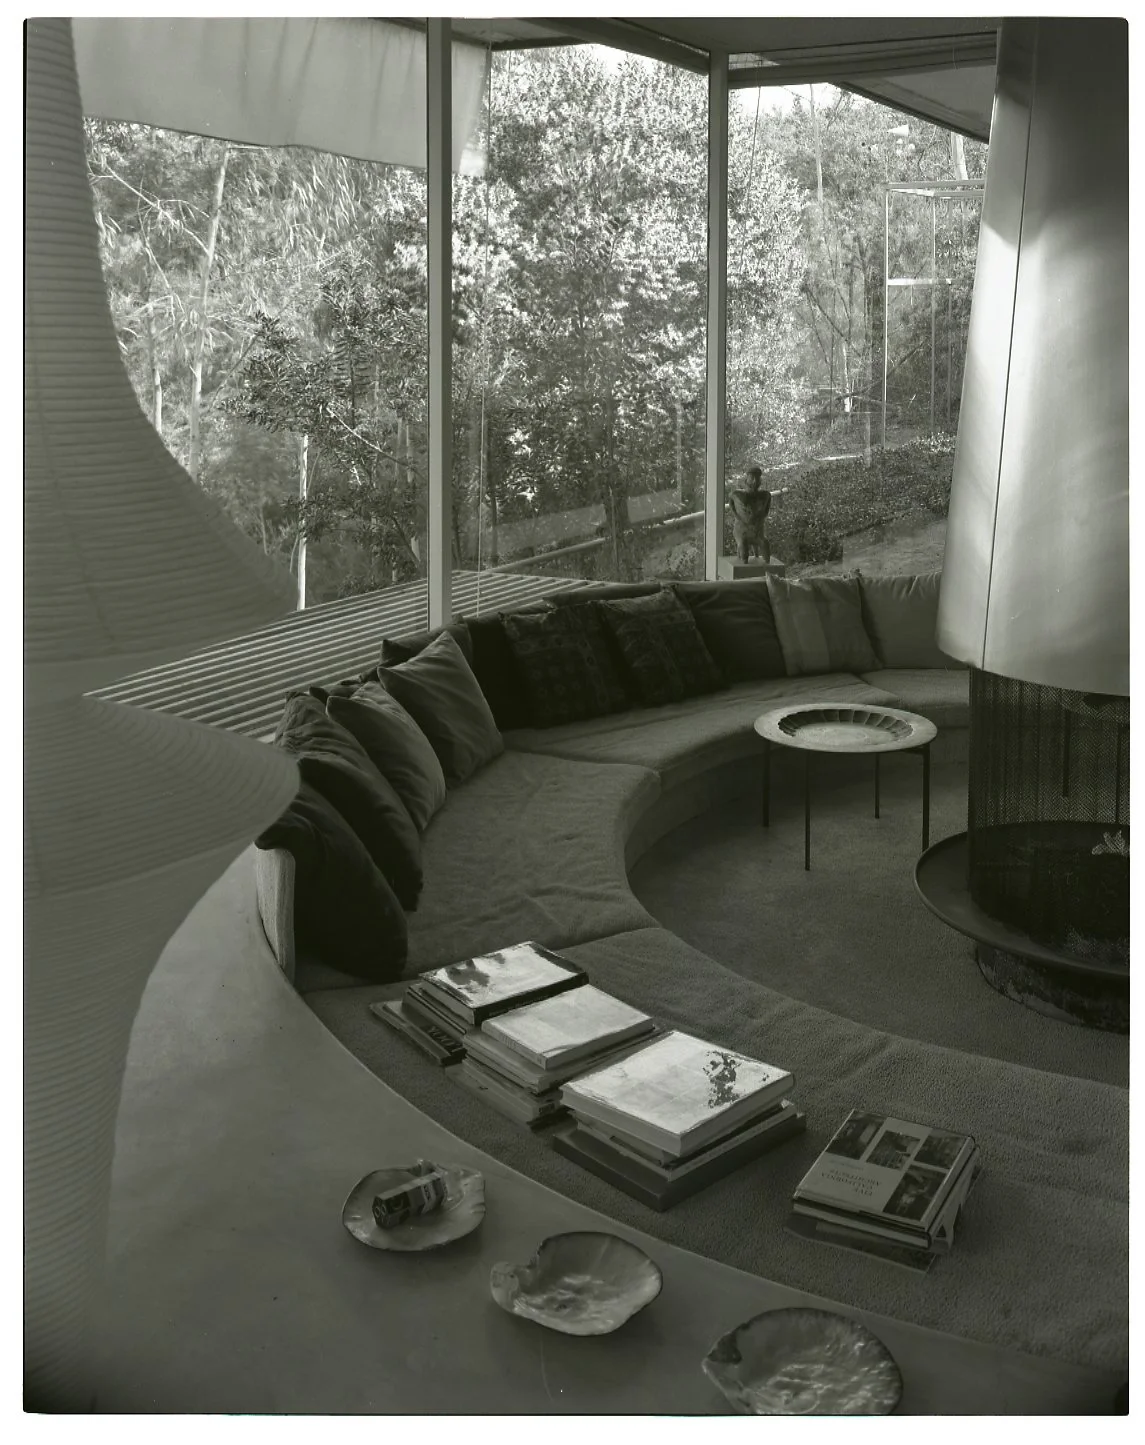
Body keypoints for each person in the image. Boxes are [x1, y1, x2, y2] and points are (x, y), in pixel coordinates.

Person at [729, 466, 772, 563]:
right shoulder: (737, 494)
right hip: (742, 532)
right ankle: (744, 557)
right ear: (746, 480)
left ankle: (766, 569)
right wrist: (737, 516)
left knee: (765, 546)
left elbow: (766, 509)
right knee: (744, 552)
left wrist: (761, 517)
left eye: (757, 478)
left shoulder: (765, 495)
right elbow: (731, 502)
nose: (754, 481)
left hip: (757, 532)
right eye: (752, 478)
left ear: (760, 480)